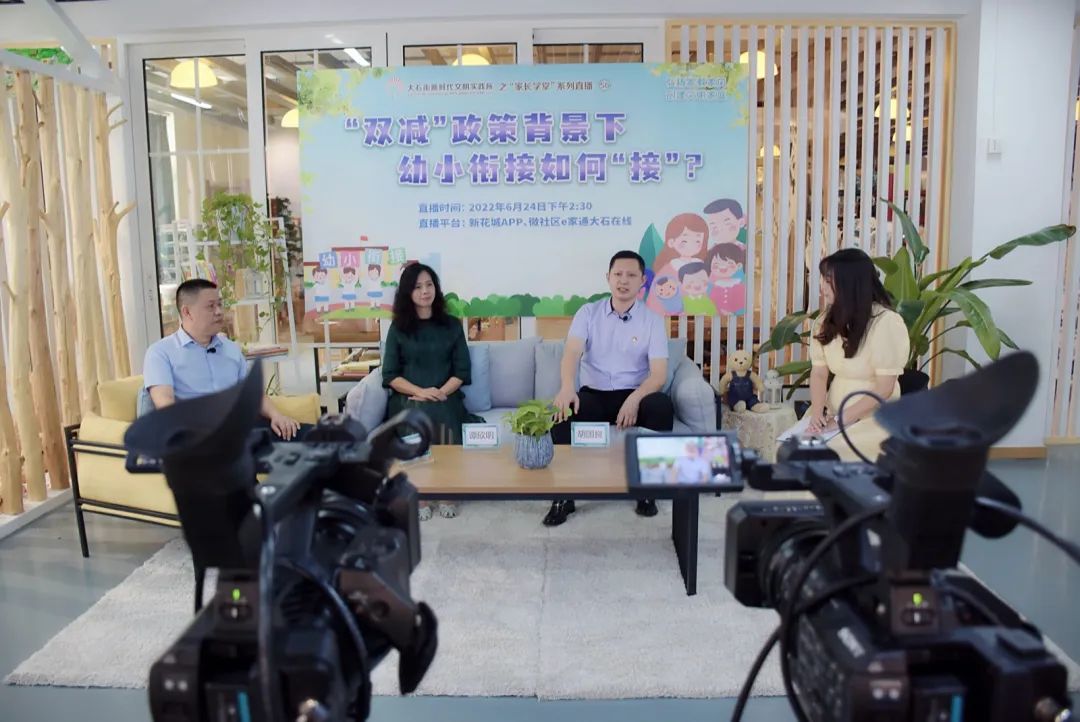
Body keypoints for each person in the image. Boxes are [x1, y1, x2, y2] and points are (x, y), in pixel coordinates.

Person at [545, 250, 676, 526]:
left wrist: (635, 398)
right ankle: (563, 495)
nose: (623, 280)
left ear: (642, 281)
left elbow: (659, 374)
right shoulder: (588, 313)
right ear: (608, 277)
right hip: (594, 395)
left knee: (661, 406)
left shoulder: (652, 320)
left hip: (634, 393)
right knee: (562, 411)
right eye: (618, 274)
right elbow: (571, 354)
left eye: (631, 275)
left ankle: (648, 491)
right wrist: (567, 387)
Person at [381, 262, 483, 520]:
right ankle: (422, 493)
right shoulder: (398, 328)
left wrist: (440, 392)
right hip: (408, 397)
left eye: (429, 285)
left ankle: (447, 490)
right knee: (416, 416)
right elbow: (390, 375)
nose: (425, 291)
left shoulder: (452, 325)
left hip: (445, 396)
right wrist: (421, 391)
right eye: (417, 287)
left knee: (444, 415)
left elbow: (462, 370)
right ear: (408, 292)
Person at [143, 279, 304, 440]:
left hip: (241, 428)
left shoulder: (231, 349)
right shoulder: (160, 353)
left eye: (220, 304)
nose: (219, 311)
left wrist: (277, 416)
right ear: (187, 312)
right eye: (211, 306)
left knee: (311, 437)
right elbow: (165, 403)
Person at [805, 248, 910, 461]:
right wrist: (817, 414)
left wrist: (841, 420)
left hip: (874, 418)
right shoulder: (825, 321)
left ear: (849, 284)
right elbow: (819, 373)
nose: (822, 287)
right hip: (832, 414)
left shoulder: (886, 322)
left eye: (828, 281)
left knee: (833, 455)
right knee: (794, 450)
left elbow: (884, 388)